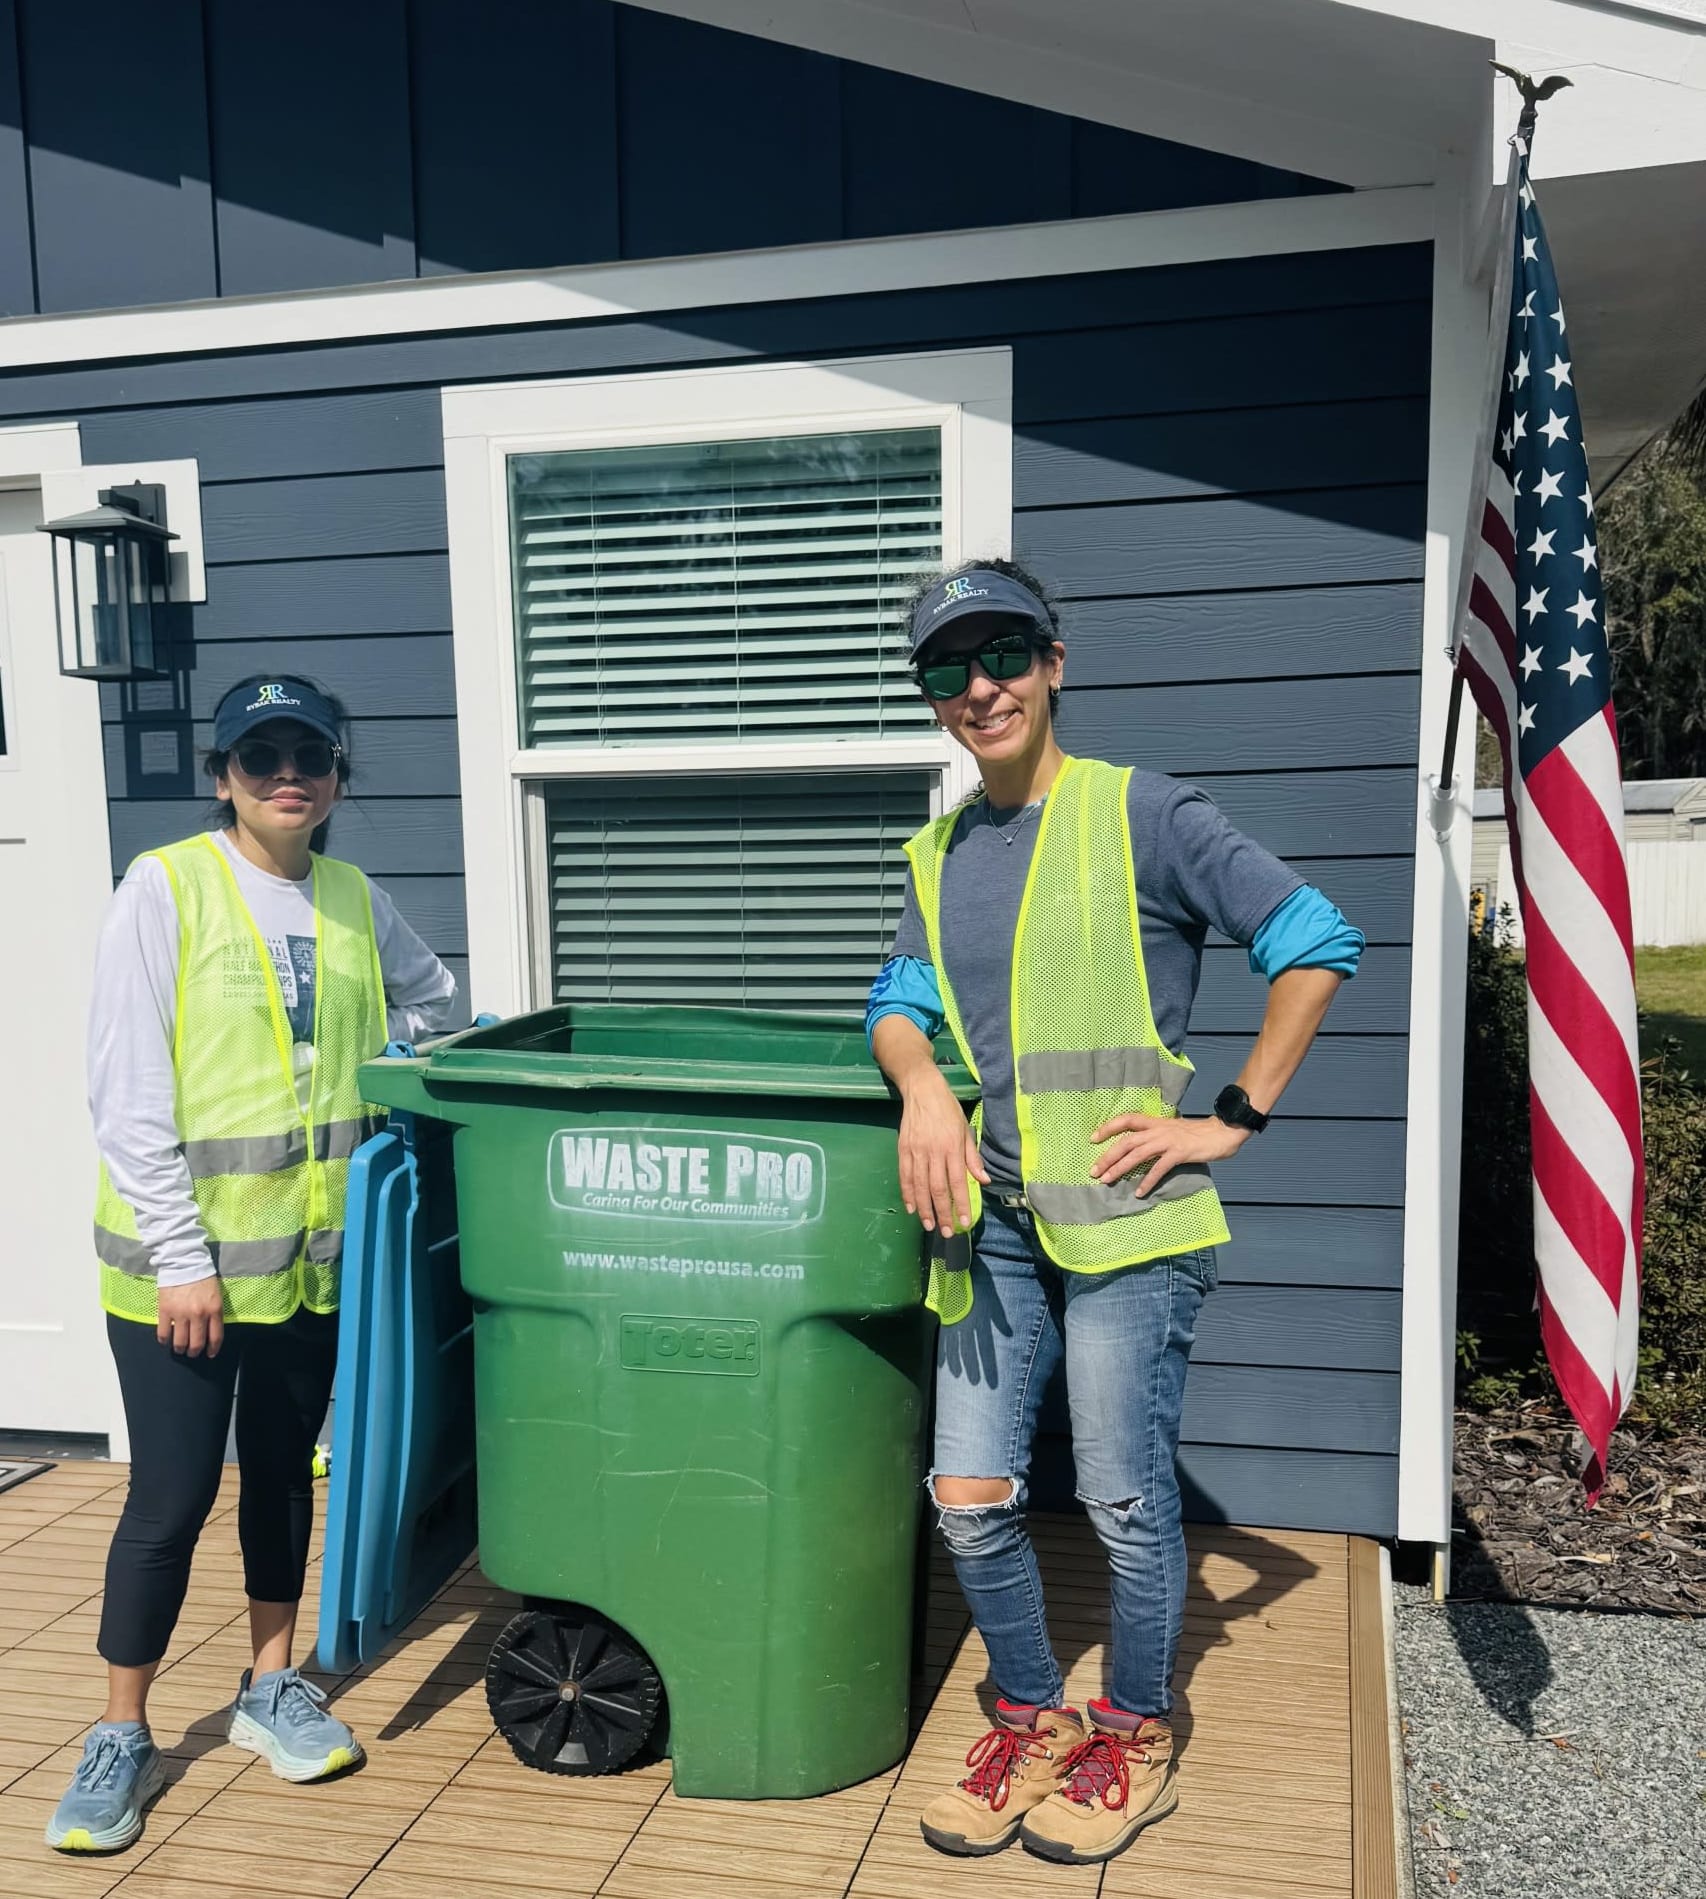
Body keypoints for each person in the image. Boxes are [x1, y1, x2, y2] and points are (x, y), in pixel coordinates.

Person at [868, 561, 1363, 1866]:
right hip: (996, 1219)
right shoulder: (936, 852)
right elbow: (896, 999)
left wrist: (1230, 1116)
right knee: (968, 1490)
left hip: (1133, 1224)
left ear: (1053, 662)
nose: (979, 686)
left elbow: (1314, 939)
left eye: (1004, 654)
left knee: (1125, 1501)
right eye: (946, 668)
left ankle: (1133, 1728)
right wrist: (920, 1090)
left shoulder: (1141, 812)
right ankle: (1031, 1713)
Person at [47, 675, 458, 1854]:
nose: (288, 776)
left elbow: (437, 1004)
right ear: (222, 776)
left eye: (310, 757)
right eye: (260, 756)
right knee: (170, 1500)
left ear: (336, 776)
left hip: (308, 1267)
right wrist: (183, 1258)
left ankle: (269, 1687)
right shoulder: (165, 887)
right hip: (181, 1277)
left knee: (281, 1478)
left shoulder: (352, 898)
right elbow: (125, 1094)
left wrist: (393, 1058)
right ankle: (120, 1732)